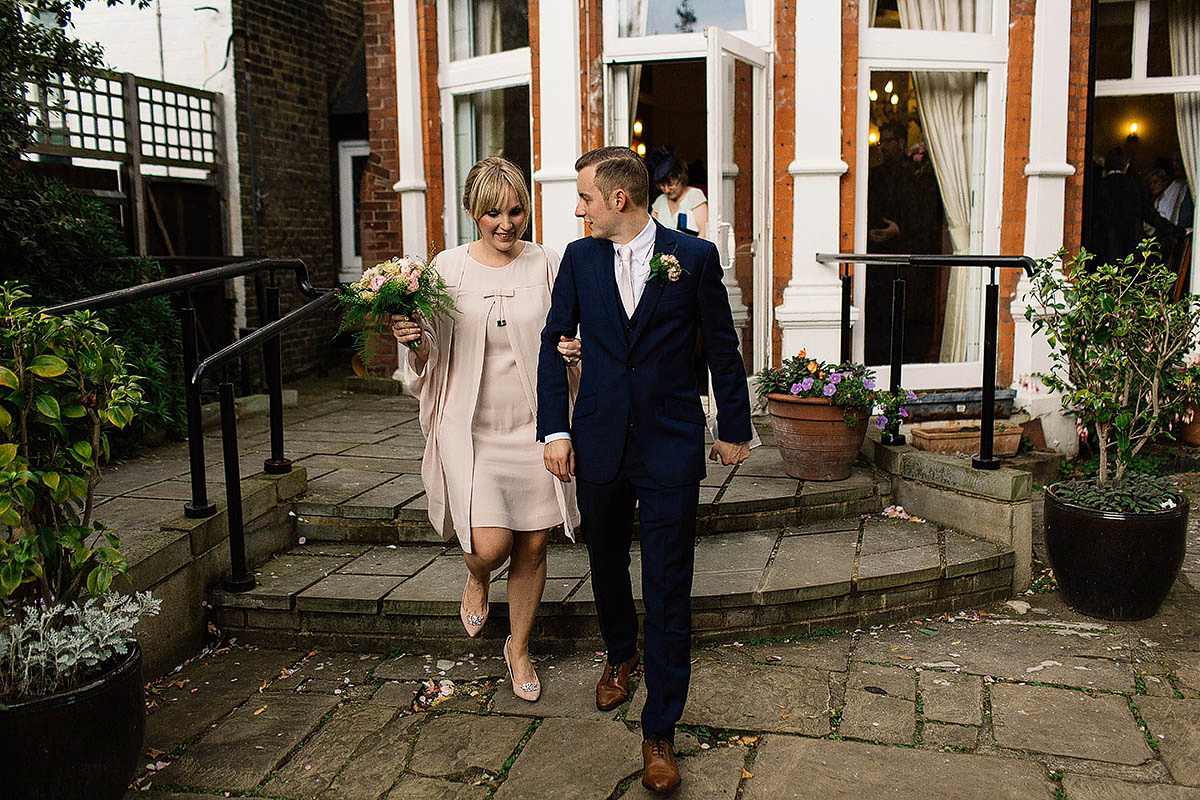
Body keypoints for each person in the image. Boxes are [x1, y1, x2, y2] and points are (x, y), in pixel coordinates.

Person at [536, 146, 752, 793]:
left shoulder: (693, 258)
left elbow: (721, 345)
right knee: (604, 561)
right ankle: (621, 650)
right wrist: (555, 428)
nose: (579, 210)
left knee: (668, 584)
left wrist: (734, 428)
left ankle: (661, 729)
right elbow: (555, 341)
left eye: (585, 199)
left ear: (618, 200)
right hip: (598, 441)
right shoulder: (578, 260)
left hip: (668, 446)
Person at [392, 157, 581, 703]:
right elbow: (428, 354)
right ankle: (476, 577)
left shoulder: (549, 263)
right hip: (471, 430)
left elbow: (573, 336)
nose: (506, 223)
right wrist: (411, 339)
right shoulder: (447, 268)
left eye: (516, 210)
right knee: (487, 546)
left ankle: (518, 648)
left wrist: (574, 351)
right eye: (493, 212)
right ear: (474, 211)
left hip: (535, 426)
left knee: (534, 545)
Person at [647, 145, 708, 238]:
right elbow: (653, 235)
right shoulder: (659, 202)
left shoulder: (695, 196)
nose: (666, 190)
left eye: (671, 184)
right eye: (662, 186)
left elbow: (704, 234)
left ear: (681, 178)